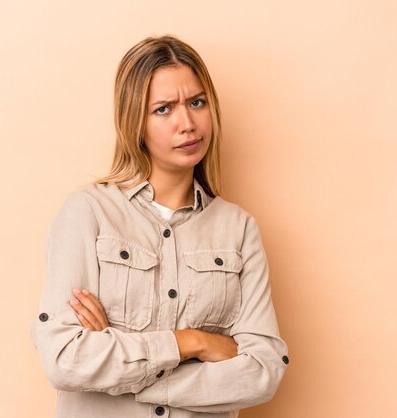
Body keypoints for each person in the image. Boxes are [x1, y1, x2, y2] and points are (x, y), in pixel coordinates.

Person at [31, 35, 289, 418]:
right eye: (164, 109)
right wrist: (194, 343)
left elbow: (263, 372)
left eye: (197, 103)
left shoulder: (239, 229)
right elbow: (64, 357)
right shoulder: (88, 213)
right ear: (134, 120)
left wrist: (124, 367)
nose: (187, 124)